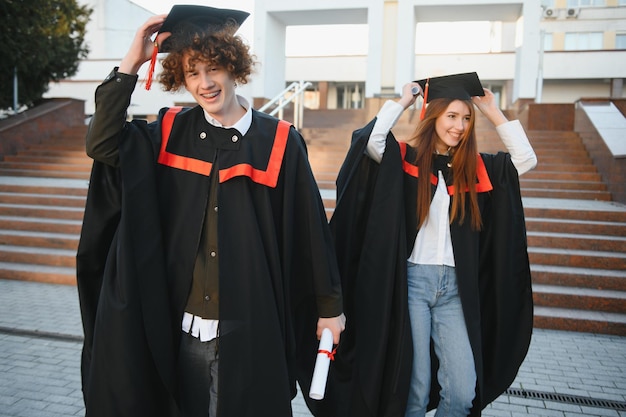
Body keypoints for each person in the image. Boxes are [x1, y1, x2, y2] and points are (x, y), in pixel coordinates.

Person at [75, 5, 345, 417]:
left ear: (234, 65)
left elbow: (310, 230)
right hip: (179, 330)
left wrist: (330, 309)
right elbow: (103, 144)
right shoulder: (168, 132)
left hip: (249, 330)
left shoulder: (280, 142)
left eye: (213, 68)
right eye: (191, 72)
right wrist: (131, 62)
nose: (204, 83)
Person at [317, 72, 536, 417]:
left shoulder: (477, 168)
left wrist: (493, 111)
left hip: (454, 290)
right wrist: (403, 101)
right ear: (432, 117)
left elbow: (525, 160)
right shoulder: (404, 159)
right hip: (413, 285)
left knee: (463, 392)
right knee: (413, 391)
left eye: (466, 118)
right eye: (451, 116)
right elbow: (368, 142)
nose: (460, 126)